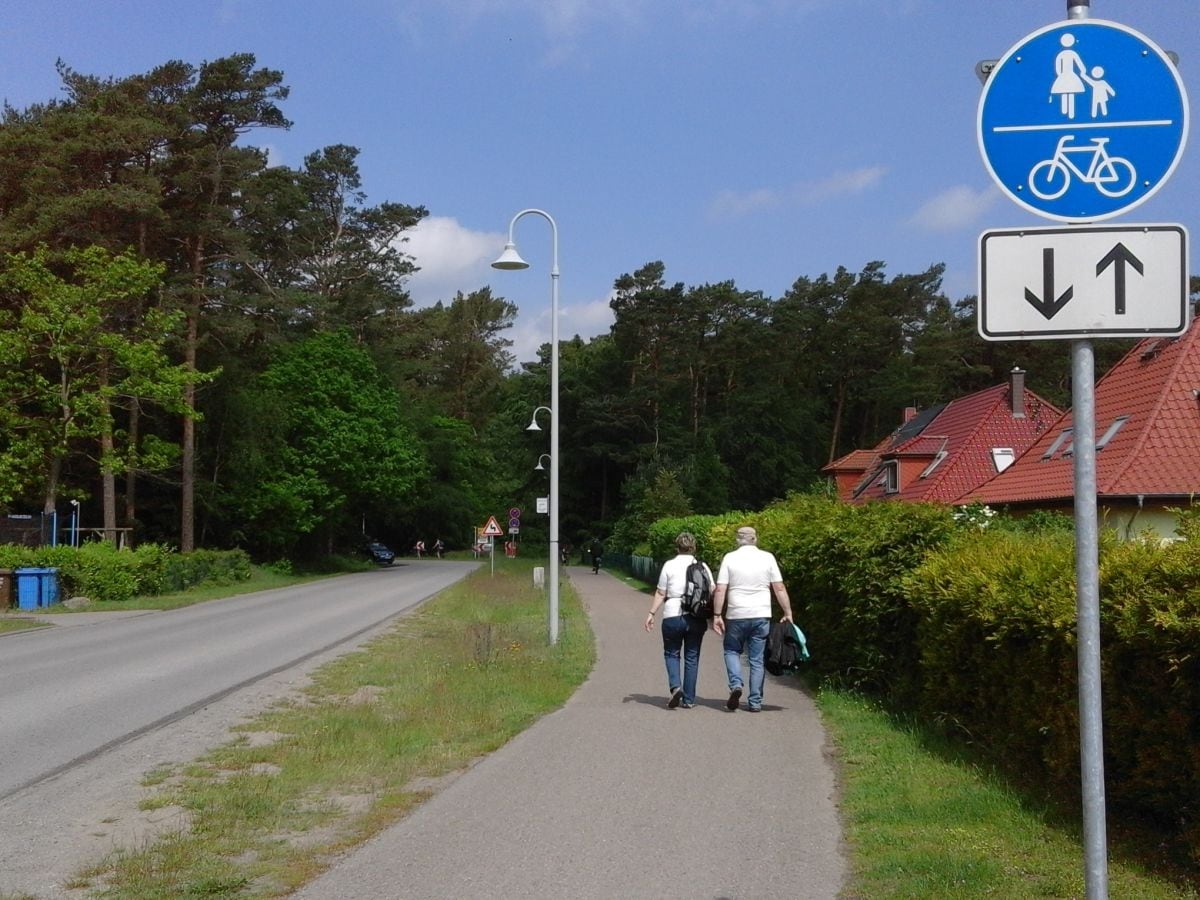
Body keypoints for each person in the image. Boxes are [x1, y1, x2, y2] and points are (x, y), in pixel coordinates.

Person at [711, 525, 793, 713]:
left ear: (737, 540)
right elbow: (779, 588)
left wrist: (717, 615)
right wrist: (787, 611)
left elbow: (721, 589)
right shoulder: (767, 558)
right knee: (756, 659)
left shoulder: (729, 558)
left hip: (736, 615)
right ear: (755, 539)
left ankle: (736, 684)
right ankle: (755, 701)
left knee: (731, 650)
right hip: (760, 615)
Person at [644, 532, 712, 709]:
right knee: (692, 656)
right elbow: (711, 589)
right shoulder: (702, 566)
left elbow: (661, 592)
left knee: (672, 653)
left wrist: (651, 613)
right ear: (694, 547)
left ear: (677, 547)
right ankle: (689, 699)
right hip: (696, 616)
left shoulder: (669, 565)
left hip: (673, 614)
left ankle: (676, 687)